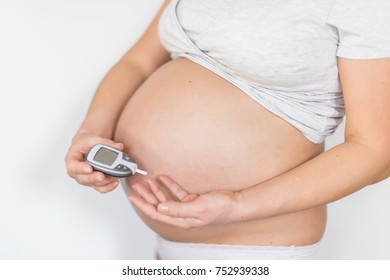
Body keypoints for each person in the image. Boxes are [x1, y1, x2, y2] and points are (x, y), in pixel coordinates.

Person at [65, 0, 390, 259]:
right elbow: (138, 62)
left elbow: (375, 151)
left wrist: (237, 204)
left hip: (257, 246)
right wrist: (90, 131)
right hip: (171, 245)